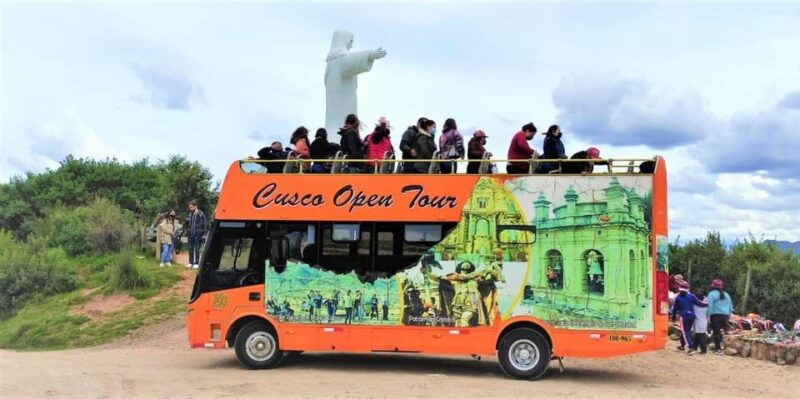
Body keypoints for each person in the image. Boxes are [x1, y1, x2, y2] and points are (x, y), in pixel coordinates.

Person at [670, 282, 707, 355]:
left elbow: (674, 309)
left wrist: (673, 317)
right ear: (687, 289)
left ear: (680, 289)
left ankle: (691, 347)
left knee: (685, 332)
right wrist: (708, 304)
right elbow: (700, 303)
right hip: (692, 316)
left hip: (683, 316)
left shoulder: (678, 298)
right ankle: (682, 346)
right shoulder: (692, 296)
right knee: (686, 331)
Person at [707, 278, 733, 355]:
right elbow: (730, 306)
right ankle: (722, 346)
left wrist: (708, 316)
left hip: (715, 315)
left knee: (717, 332)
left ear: (713, 286)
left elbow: (710, 306)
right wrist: (729, 315)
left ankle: (718, 349)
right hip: (725, 315)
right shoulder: (727, 294)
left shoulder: (711, 294)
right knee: (723, 331)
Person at [185, 200, 206, 269]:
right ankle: (190, 262)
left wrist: (203, 234)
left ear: (195, 206)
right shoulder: (190, 214)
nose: (190, 209)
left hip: (198, 234)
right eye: (189, 207)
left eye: (191, 207)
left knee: (197, 249)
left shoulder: (201, 214)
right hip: (191, 234)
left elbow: (204, 224)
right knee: (190, 248)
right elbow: (188, 223)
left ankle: (196, 263)